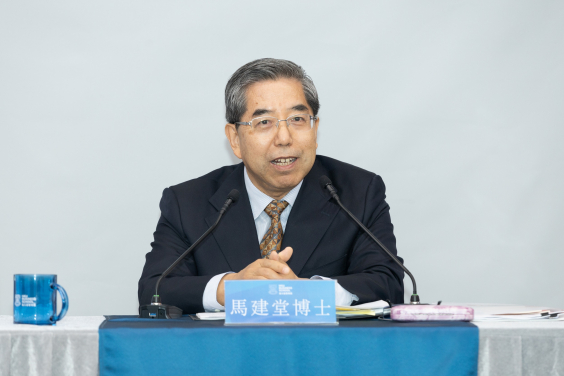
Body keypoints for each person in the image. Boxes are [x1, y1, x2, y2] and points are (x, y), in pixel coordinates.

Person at [138, 58, 404, 314]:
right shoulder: (187, 203)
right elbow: (154, 290)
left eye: (298, 120)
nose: (285, 138)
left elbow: (388, 283)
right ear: (235, 139)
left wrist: (310, 293)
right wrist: (229, 288)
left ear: (315, 128)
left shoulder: (357, 193)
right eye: (264, 122)